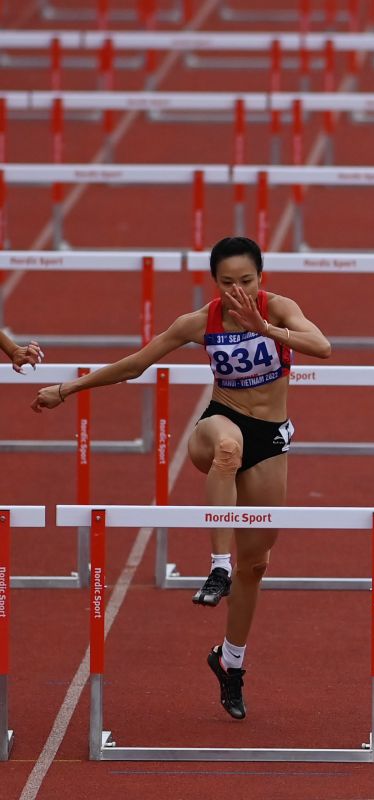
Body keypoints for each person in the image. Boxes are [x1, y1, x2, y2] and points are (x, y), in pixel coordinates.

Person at [32, 236, 331, 720]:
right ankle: (217, 565)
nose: (238, 290)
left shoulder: (279, 309)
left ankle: (230, 661)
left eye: (247, 281)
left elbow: (323, 347)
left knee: (257, 561)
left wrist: (266, 329)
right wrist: (67, 389)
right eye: (228, 282)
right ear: (215, 283)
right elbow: (136, 364)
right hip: (216, 427)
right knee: (228, 449)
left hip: (271, 437)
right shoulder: (199, 323)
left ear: (261, 278)